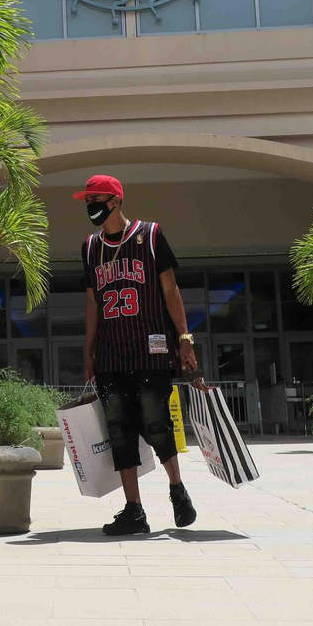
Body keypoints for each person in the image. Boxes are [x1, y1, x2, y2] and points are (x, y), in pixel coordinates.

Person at [74, 174, 202, 536]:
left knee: (157, 423)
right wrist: (89, 350)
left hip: (151, 349)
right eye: (88, 201)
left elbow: (171, 290)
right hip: (111, 353)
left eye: (97, 199)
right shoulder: (90, 247)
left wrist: (185, 338)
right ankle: (134, 510)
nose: (91, 207)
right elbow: (92, 302)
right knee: (119, 431)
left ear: (116, 200)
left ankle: (177, 489)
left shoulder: (151, 234)